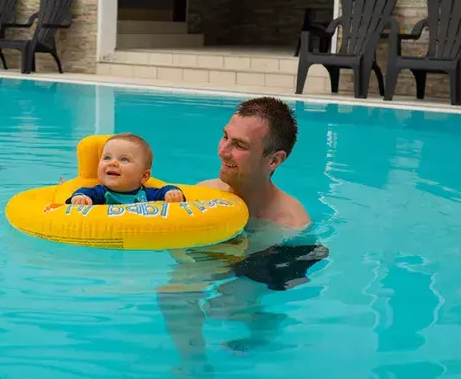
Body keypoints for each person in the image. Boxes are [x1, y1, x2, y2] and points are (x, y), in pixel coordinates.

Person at [157, 97, 327, 374]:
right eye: (225, 137)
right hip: (232, 249)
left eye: (239, 145)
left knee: (226, 304)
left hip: (283, 254)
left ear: (274, 160)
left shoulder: (290, 225)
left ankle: (262, 325)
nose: (222, 151)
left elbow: (283, 269)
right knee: (173, 293)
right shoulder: (206, 192)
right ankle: (193, 364)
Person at [67, 133, 185, 205]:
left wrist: (172, 192)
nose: (113, 163)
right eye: (107, 158)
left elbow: (163, 191)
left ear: (144, 176)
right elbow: (85, 192)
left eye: (124, 159)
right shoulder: (100, 193)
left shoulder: (146, 194)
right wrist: (80, 197)